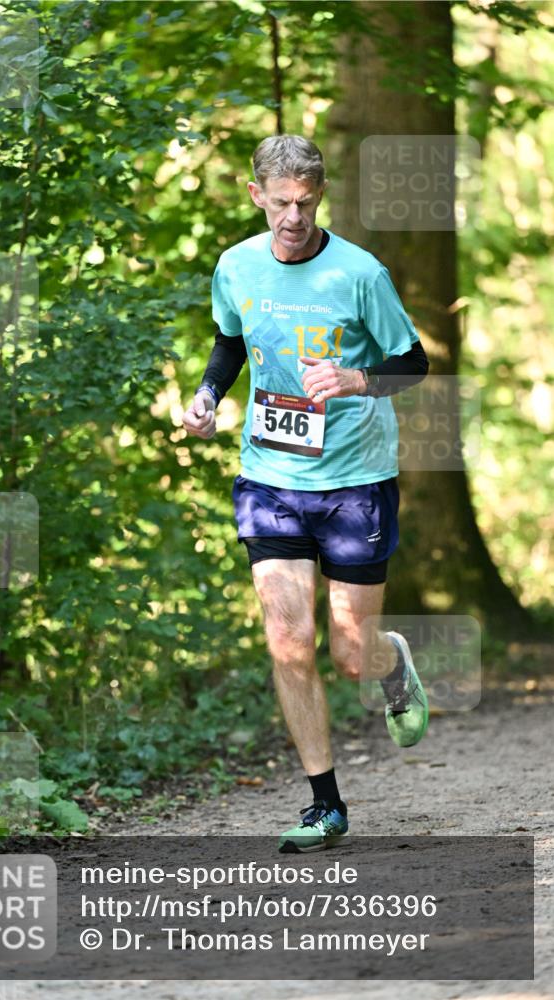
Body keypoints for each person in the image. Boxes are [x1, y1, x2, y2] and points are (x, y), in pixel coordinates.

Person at [182, 134, 430, 853]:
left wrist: (356, 379)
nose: (293, 216)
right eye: (280, 201)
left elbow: (412, 363)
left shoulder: (359, 274)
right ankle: (325, 804)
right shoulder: (235, 266)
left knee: (352, 655)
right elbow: (229, 343)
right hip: (270, 478)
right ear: (255, 193)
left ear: (318, 196)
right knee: (289, 641)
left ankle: (390, 665)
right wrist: (206, 397)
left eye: (306, 201)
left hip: (354, 480)